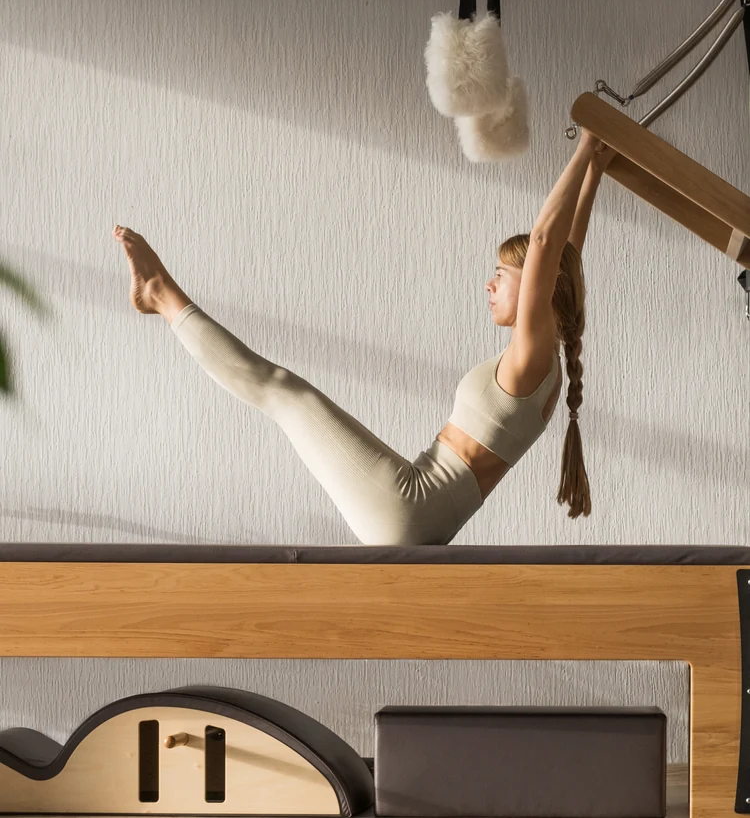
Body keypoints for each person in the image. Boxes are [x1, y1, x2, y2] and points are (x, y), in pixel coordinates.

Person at [113, 130, 616, 545]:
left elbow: (549, 245)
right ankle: (160, 295)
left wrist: (582, 144)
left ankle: (160, 295)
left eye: (502, 275)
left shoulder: (531, 354)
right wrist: (593, 168)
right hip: (418, 511)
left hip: (410, 507)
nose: (489, 283)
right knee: (284, 393)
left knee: (282, 391)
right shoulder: (545, 361)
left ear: (538, 287)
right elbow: (566, 251)